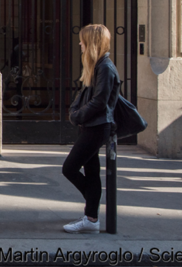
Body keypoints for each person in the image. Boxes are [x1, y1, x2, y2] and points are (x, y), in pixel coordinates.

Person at [62, 23, 121, 234]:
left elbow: (100, 102)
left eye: (83, 40)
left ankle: (92, 209)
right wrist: (75, 112)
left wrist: (77, 116)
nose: (80, 43)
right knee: (92, 171)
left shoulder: (105, 67)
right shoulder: (96, 66)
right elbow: (85, 95)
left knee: (69, 168)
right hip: (90, 125)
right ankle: (91, 218)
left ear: (92, 43)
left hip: (98, 127)